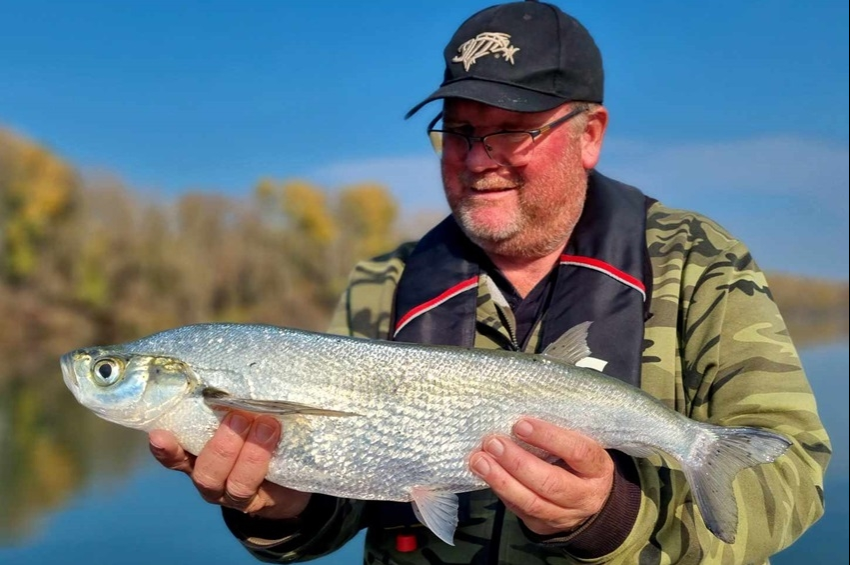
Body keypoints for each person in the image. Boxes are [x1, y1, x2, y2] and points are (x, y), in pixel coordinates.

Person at [149, 1, 831, 563]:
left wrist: (613, 519)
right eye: (461, 130)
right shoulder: (382, 283)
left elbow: (791, 476)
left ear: (590, 133)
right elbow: (342, 509)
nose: (480, 158)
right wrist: (280, 506)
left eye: (513, 130)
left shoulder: (698, 261)